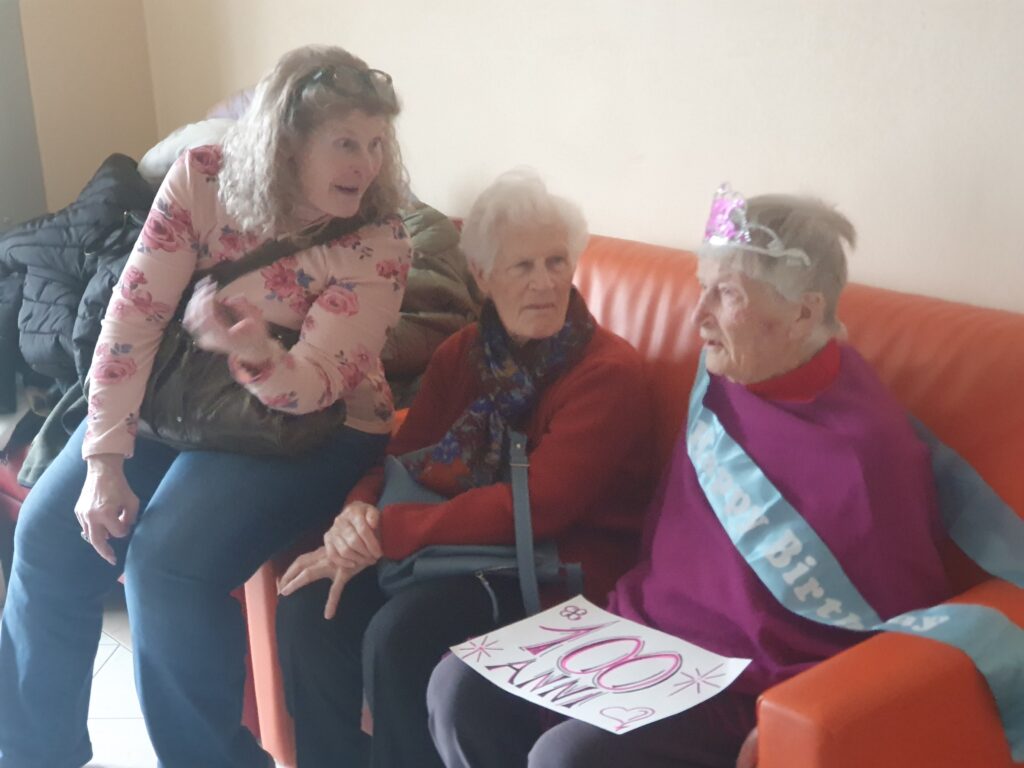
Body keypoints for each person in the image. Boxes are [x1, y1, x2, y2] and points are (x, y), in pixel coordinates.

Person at [426, 185, 951, 768]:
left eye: (726, 294)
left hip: (749, 682)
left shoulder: (869, 451)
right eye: (702, 287)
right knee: (459, 689)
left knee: (568, 757)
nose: (698, 315)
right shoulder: (725, 380)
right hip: (647, 636)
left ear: (803, 311)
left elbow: (902, 633)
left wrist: (793, 713)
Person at [0, 44, 411, 768]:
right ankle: (36, 754)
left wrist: (256, 352)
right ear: (287, 142)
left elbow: (317, 382)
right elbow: (135, 316)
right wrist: (104, 459)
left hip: (314, 423)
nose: (368, 164)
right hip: (190, 397)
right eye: (347, 143)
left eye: (378, 143)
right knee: (48, 535)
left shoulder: (379, 240)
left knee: (166, 566)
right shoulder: (204, 176)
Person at [274, 170, 655, 768]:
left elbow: (540, 507)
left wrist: (388, 532)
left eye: (556, 262)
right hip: (451, 551)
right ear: (482, 275)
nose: (544, 282)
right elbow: (404, 457)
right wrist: (357, 513)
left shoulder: (608, 373)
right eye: (521, 266)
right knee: (310, 607)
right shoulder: (464, 354)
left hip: (553, 570)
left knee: (401, 635)